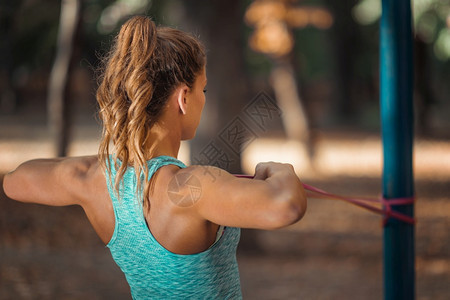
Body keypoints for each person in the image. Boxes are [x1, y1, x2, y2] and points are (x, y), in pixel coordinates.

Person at [3, 15, 307, 299]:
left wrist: (111, 162)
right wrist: (280, 171)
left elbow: (14, 182)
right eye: (204, 89)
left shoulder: (93, 179)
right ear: (183, 98)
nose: (204, 98)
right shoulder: (193, 186)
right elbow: (286, 206)